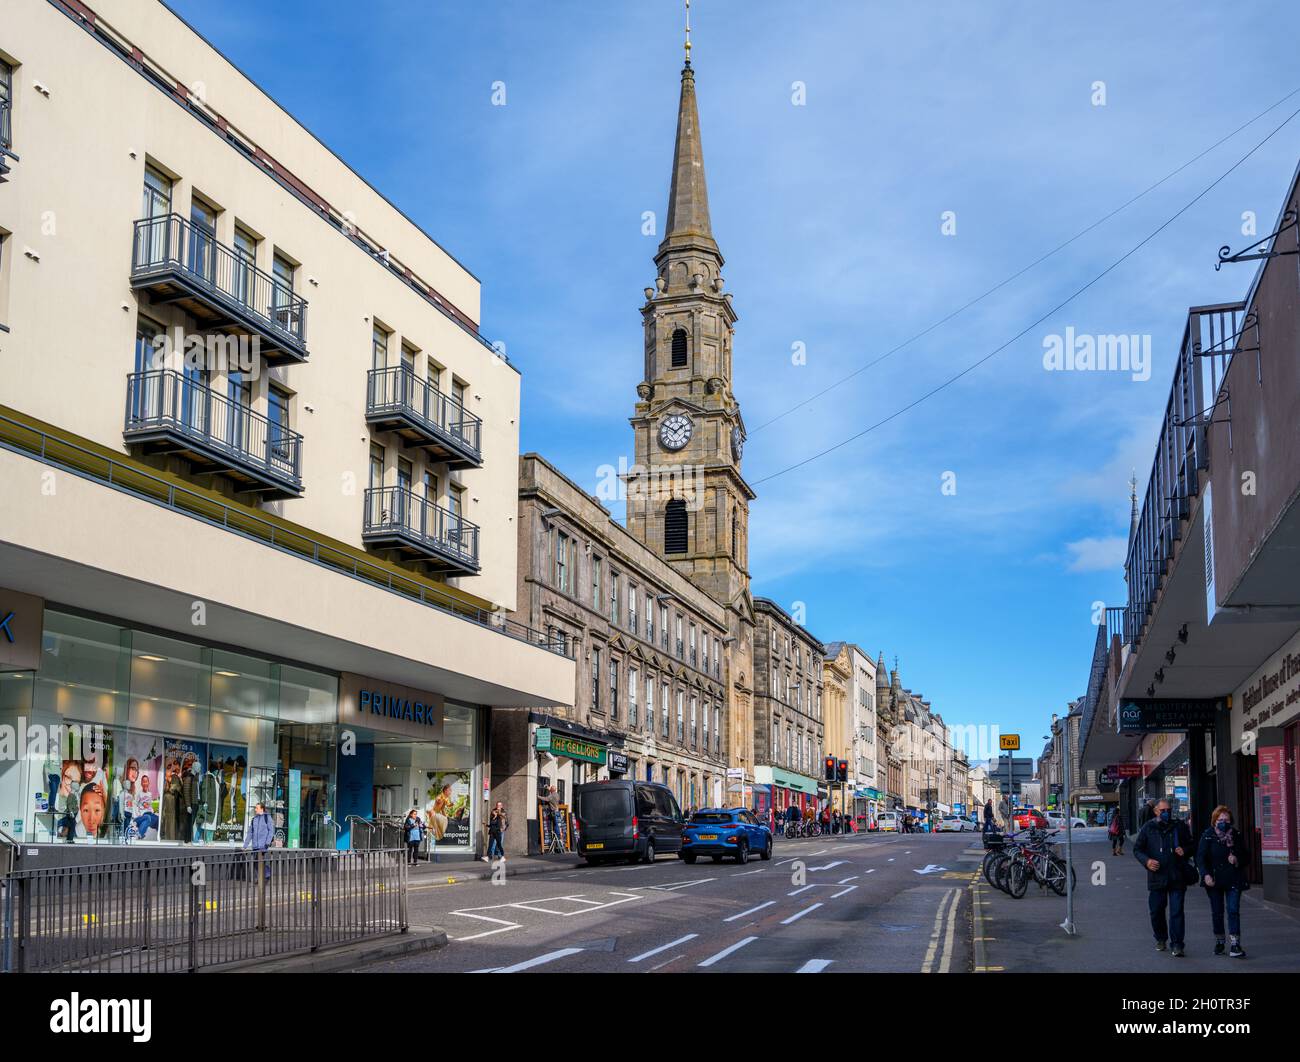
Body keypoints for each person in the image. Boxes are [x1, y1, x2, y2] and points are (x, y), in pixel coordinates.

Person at [1132, 798, 1194, 956]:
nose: (1166, 813)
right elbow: (1137, 849)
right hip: (1156, 877)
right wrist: (1147, 861)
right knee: (1156, 911)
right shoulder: (1148, 828)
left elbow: (1192, 845)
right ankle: (1160, 938)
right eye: (1163, 810)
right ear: (1155, 811)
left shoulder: (1179, 826)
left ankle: (1177, 944)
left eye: (1168, 810)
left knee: (1177, 912)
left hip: (1177, 876)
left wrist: (1185, 850)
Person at [1197, 805, 1249, 958]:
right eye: (1220, 820)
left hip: (1233, 878)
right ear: (1214, 821)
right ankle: (1220, 941)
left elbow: (1247, 856)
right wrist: (1205, 874)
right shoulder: (1208, 835)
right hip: (1214, 880)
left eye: (1226, 820)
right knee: (1217, 912)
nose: (1223, 822)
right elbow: (1200, 857)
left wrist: (1237, 859)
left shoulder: (1236, 835)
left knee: (1233, 910)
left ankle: (1235, 944)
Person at [243, 801, 275, 880]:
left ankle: (266, 875)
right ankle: (263, 877)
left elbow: (271, 831)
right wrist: (245, 845)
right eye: (255, 808)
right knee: (256, 863)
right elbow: (250, 833)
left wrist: (267, 843)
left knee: (261, 861)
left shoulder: (267, 817)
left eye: (257, 808)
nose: (255, 809)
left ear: (262, 809)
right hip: (255, 845)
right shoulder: (254, 819)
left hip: (263, 845)